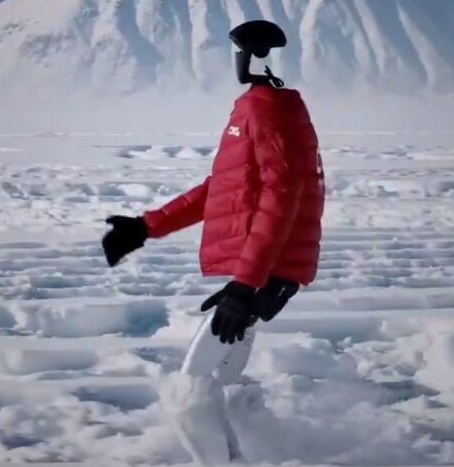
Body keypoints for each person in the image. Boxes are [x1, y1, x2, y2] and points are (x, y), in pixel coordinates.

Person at [102, 20, 325, 346]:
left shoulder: (266, 111)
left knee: (221, 359)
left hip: (267, 272)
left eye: (238, 51)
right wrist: (146, 226)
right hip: (264, 270)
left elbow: (282, 196)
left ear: (253, 55)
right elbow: (225, 188)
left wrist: (246, 284)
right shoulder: (267, 105)